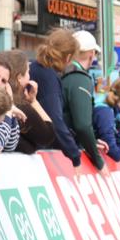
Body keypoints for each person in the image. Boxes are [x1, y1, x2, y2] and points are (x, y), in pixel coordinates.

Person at [29, 29, 85, 167]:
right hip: (36, 149)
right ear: (67, 57)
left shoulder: (34, 67)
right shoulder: (49, 77)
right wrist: (75, 155)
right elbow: (55, 121)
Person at [62, 30, 109, 171]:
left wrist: (92, 142)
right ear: (91, 54)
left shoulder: (63, 70)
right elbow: (82, 125)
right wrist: (98, 161)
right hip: (67, 154)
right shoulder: (80, 77)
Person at [0, 50, 56, 154]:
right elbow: (48, 135)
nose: (29, 77)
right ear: (19, 77)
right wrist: (33, 102)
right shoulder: (20, 107)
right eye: (28, 72)